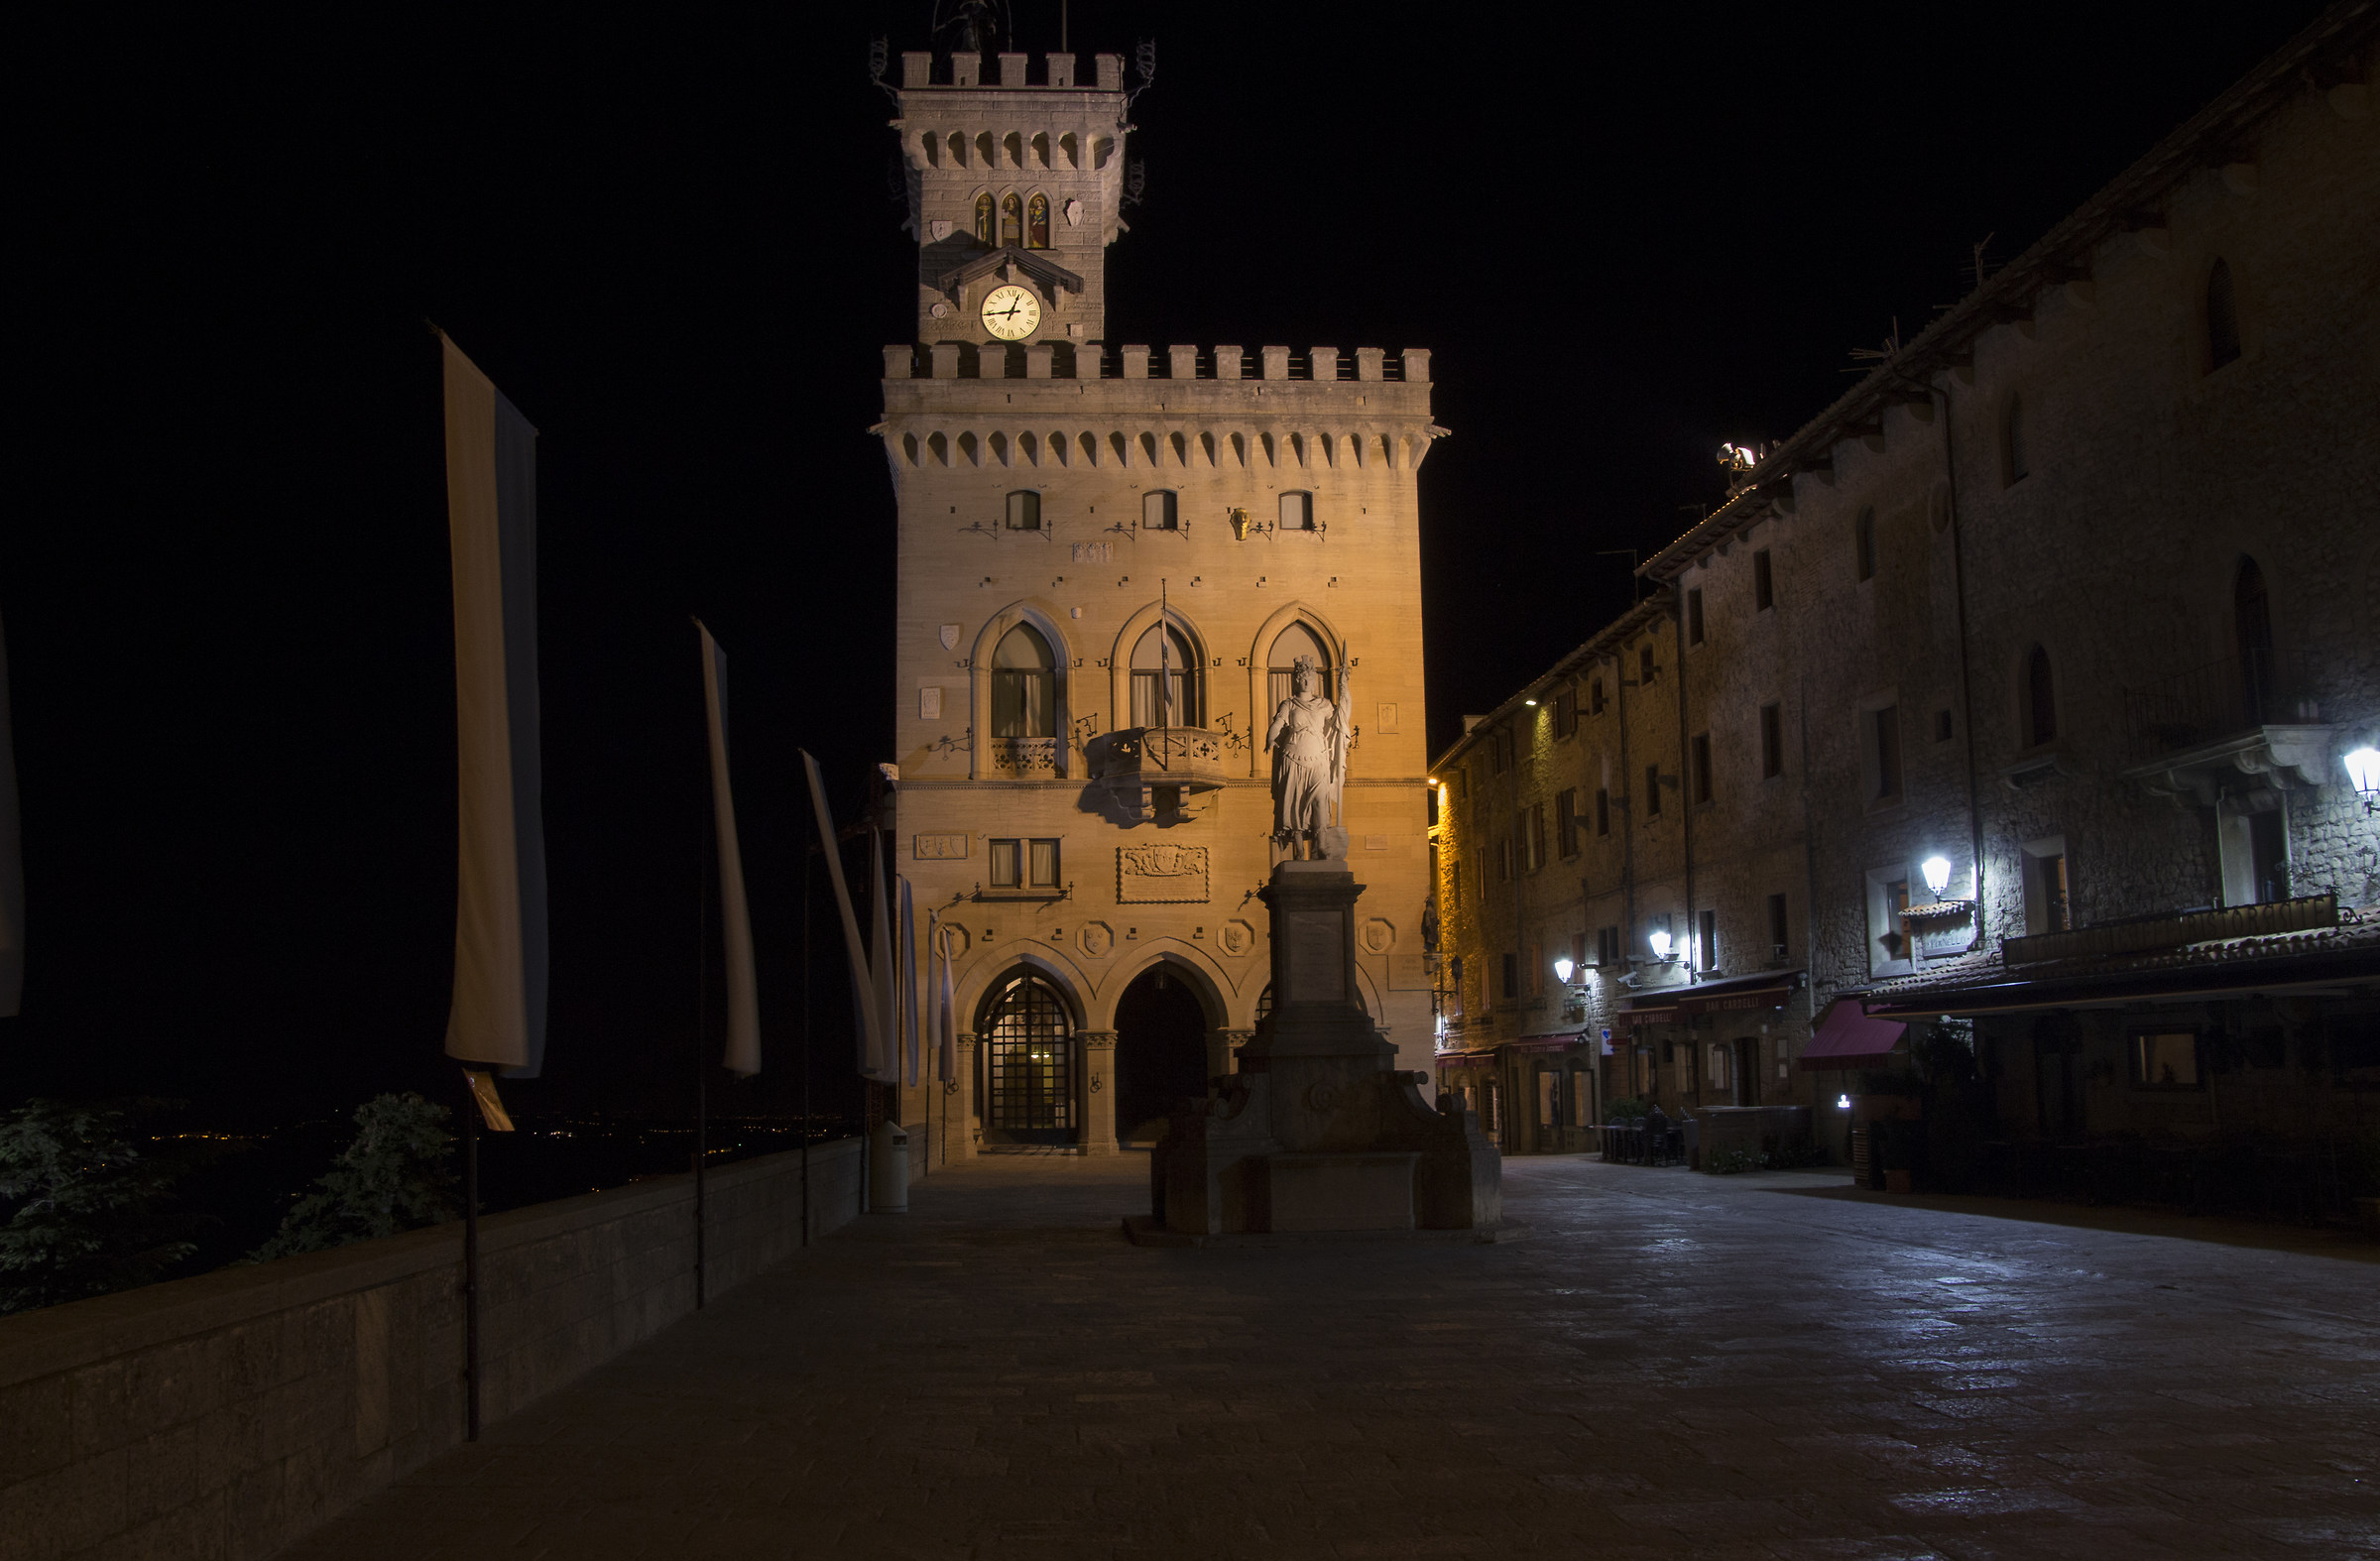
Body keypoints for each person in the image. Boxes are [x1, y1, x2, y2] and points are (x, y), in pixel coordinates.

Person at [1265, 654, 1350, 859]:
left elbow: (1340, 721)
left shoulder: (1324, 705)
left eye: (1309, 679)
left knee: (1320, 801)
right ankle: (1299, 849)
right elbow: (1278, 723)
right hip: (1293, 758)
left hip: (1318, 759)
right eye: (1301, 678)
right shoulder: (1289, 704)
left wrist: (1345, 692)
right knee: (1296, 803)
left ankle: (1320, 845)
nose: (1305, 682)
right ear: (1296, 681)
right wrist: (1270, 739)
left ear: (1314, 681)